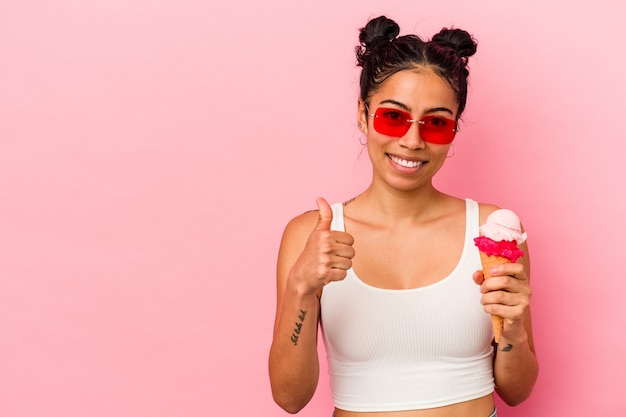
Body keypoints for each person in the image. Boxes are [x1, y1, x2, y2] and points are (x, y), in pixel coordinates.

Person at [268, 15, 538, 417]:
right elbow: (290, 398)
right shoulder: (310, 235)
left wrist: (513, 329)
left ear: (454, 130)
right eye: (393, 117)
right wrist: (301, 287)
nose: (412, 141)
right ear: (364, 113)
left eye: (436, 123)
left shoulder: (492, 229)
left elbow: (517, 391)